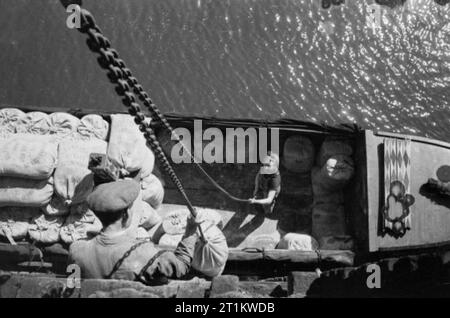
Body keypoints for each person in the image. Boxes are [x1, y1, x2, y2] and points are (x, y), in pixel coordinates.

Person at [68, 179, 201, 284]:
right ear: (126, 215)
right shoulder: (145, 254)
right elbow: (181, 266)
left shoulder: (76, 251)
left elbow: (74, 285)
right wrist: (190, 232)